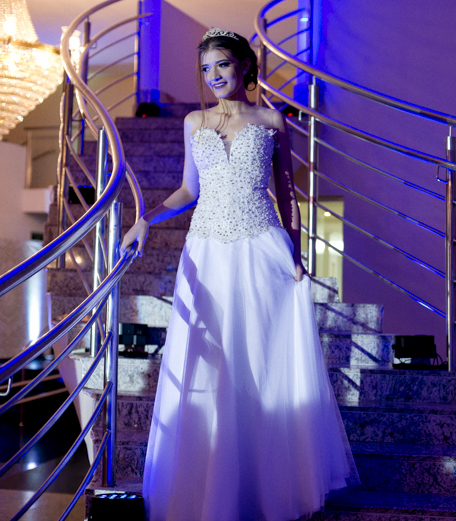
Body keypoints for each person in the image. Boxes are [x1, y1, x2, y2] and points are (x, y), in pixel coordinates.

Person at [120, 27, 359, 521]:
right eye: (206, 69)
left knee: (258, 365)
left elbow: (287, 196)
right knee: (211, 366)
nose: (214, 76)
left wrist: (296, 254)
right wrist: (146, 218)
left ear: (245, 65)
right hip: (207, 250)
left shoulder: (272, 120)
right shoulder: (194, 122)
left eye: (222, 65)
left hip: (261, 248)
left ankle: (262, 486)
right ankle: (211, 489)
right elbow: (189, 191)